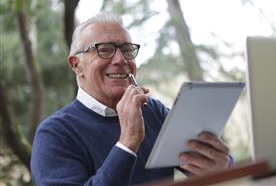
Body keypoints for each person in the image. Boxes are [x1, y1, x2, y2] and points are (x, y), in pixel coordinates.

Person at [31, 12, 231, 186]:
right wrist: (127, 143)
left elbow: (209, 164)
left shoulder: (152, 111)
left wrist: (222, 166)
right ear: (76, 64)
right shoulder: (54, 134)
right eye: (105, 49)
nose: (121, 60)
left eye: (127, 50)